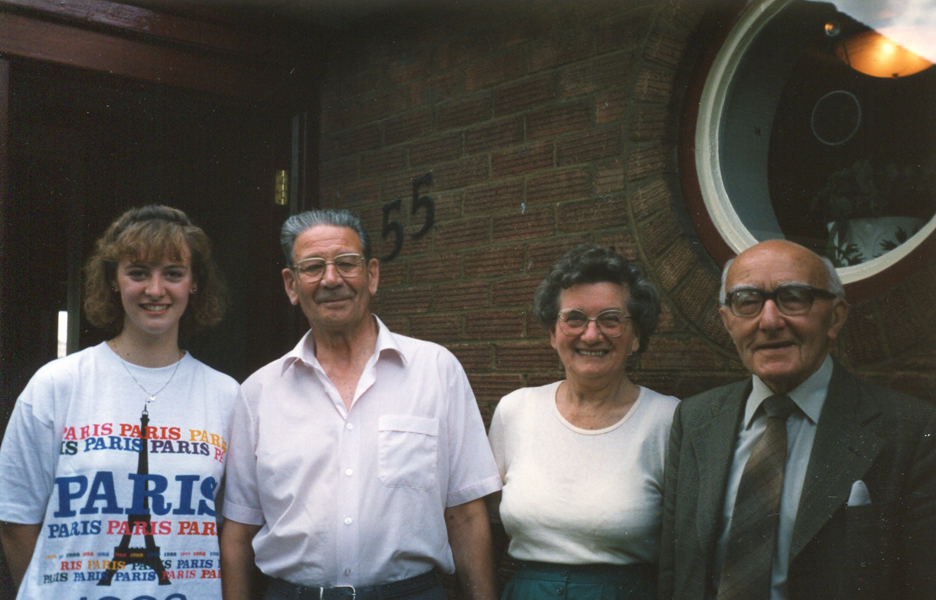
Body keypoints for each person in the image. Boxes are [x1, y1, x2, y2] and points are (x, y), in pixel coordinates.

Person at [219, 209, 502, 600]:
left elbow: (467, 517)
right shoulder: (258, 392)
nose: (331, 279)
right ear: (291, 283)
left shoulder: (436, 370)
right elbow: (238, 532)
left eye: (346, 264)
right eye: (313, 267)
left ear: (371, 275)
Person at [659, 239, 936, 600]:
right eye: (747, 302)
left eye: (793, 298)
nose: (770, 321)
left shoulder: (909, 429)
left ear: (835, 317)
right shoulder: (694, 419)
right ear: (727, 322)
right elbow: (674, 571)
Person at [0, 205, 239, 599]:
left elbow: (235, 528)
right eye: (138, 272)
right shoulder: (58, 384)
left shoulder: (227, 395)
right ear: (113, 279)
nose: (156, 289)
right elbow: (15, 519)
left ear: (195, 283)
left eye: (174, 273)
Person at [488, 244, 678, 600]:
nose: (591, 335)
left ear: (636, 336)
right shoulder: (515, 410)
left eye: (611, 319)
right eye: (574, 318)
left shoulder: (668, 419)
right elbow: (489, 528)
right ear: (552, 333)